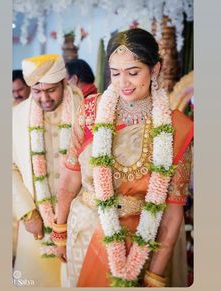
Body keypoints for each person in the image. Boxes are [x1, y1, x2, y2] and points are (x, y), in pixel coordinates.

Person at [54, 28, 193, 287]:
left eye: (133, 72)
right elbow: (70, 177)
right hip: (84, 233)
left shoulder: (177, 127)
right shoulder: (91, 109)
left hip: (144, 239)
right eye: (115, 73)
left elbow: (174, 211)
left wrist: (155, 274)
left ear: (155, 69)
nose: (122, 83)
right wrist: (59, 230)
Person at [12, 54, 83, 287]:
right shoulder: (17, 115)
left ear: (64, 82)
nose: (44, 98)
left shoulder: (84, 109)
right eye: (37, 91)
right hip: (36, 226)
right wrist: (27, 212)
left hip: (78, 220)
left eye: (51, 90)